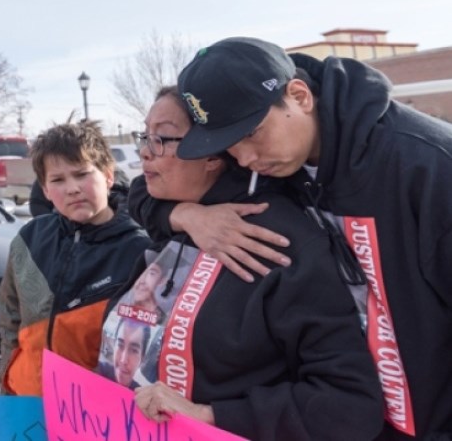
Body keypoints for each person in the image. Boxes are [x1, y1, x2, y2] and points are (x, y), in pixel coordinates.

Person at [173, 36, 452, 440]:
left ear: (299, 96)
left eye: (252, 134)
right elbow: (150, 188)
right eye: (230, 147)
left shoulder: (427, 167)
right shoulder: (272, 164)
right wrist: (186, 215)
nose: (245, 159)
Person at [98, 87, 383, 440]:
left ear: (212, 156)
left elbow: (349, 404)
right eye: (145, 136)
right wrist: (184, 216)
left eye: (162, 139)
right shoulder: (175, 219)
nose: (144, 151)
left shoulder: (281, 244)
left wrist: (212, 416)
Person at [0, 120, 150, 396]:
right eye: (58, 180)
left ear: (107, 175)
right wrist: (7, 384)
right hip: (27, 402)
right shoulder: (28, 238)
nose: (72, 188)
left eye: (81, 174)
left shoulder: (140, 250)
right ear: (44, 190)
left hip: (94, 413)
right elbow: (10, 319)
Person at [94, 318, 149, 389]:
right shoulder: (97, 370)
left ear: (142, 359)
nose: (123, 360)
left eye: (134, 350)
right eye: (120, 345)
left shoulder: (140, 396)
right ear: (114, 345)